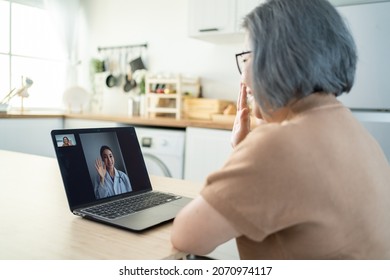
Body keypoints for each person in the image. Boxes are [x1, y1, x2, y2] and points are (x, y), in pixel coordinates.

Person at [171, 0, 390, 259]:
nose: (242, 77)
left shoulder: (277, 144)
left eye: (248, 56)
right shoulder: (358, 133)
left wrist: (245, 151)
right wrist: (245, 149)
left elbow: (186, 236)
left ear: (279, 57)